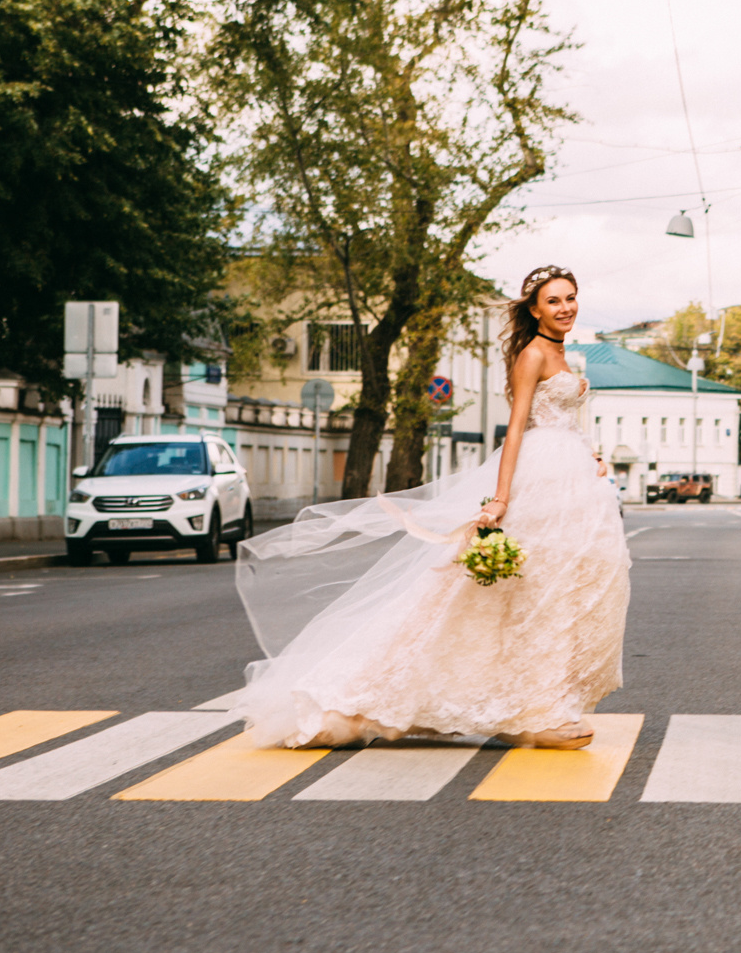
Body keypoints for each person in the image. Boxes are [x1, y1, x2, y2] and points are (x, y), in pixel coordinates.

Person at [229, 266, 631, 751]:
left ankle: (541, 702)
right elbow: (517, 428)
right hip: (539, 479)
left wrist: (585, 451)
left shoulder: (563, 352)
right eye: (554, 301)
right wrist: (501, 498)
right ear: (534, 309)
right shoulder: (532, 354)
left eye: (570, 298)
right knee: (525, 593)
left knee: (562, 589)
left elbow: (560, 418)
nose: (565, 308)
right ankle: (529, 710)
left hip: (571, 480)